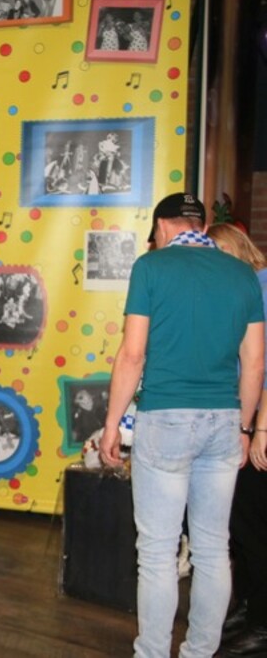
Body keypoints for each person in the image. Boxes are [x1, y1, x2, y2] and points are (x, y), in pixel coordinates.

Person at [99, 194, 265, 658]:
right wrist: (245, 427)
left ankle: (152, 653)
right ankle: (199, 653)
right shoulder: (242, 275)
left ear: (162, 227)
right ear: (201, 225)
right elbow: (255, 363)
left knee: (157, 552)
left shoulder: (151, 267)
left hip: (166, 418)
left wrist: (111, 425)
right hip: (223, 420)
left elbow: (132, 354)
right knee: (213, 548)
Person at [206, 223, 267, 656]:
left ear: (233, 249)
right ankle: (248, 605)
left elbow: (262, 366)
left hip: (259, 424)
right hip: (242, 421)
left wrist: (260, 429)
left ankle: (262, 622)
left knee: (255, 527)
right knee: (240, 524)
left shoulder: (260, 287)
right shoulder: (244, 289)